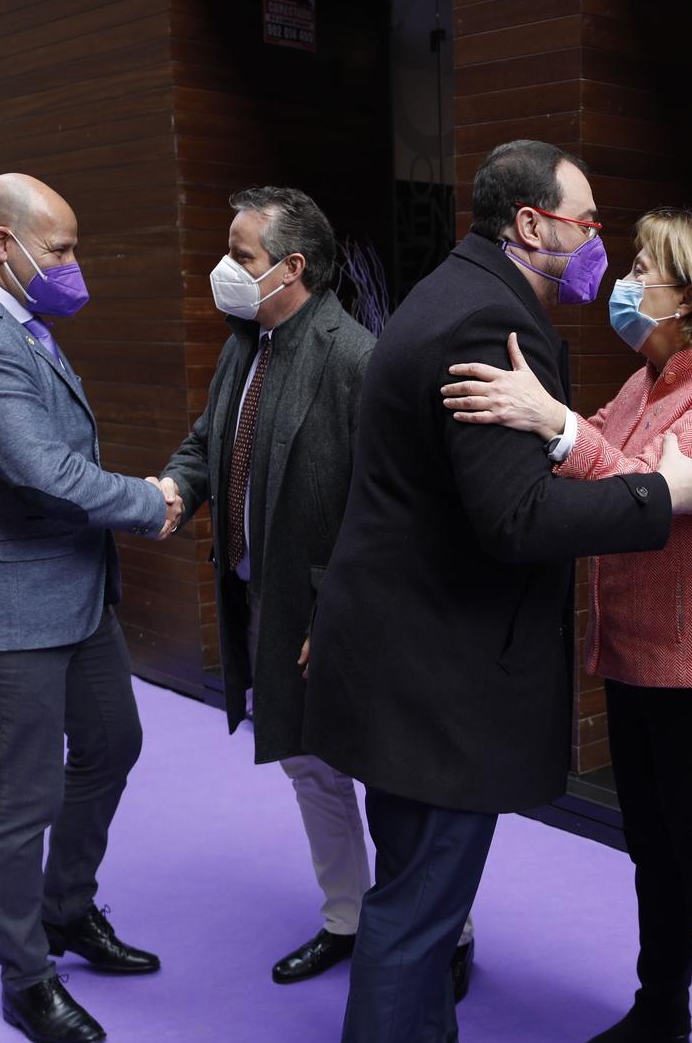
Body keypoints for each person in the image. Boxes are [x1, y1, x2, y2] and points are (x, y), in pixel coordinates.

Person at [298, 139, 692, 1043]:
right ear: (534, 223)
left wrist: (560, 430)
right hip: (434, 673)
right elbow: (512, 521)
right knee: (416, 913)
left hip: (410, 658)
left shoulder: (465, 293)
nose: (601, 247)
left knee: (418, 890)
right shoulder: (476, 319)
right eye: (589, 224)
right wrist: (660, 494)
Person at [440, 208, 692, 1043]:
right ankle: (661, 1008)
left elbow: (639, 492)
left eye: (647, 267)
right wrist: (546, 436)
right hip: (637, 656)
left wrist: (552, 423)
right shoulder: (648, 380)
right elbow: (608, 461)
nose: (628, 281)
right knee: (655, 854)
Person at [154, 187, 478, 1000]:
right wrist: (175, 487)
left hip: (340, 610)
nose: (224, 268)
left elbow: (389, 503)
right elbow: (210, 437)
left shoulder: (355, 358)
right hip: (265, 599)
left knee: (392, 778)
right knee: (310, 768)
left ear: (293, 267)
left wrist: (338, 606)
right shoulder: (246, 341)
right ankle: (346, 919)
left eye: (243, 254)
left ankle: (448, 934)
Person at [0, 173, 180, 1043]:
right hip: (3, 604)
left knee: (111, 742)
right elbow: (45, 471)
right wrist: (151, 500)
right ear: (1, 245)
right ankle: (27, 976)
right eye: (59, 249)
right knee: (20, 795)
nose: (72, 264)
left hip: (69, 588)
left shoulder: (15, 318)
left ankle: (67, 908)